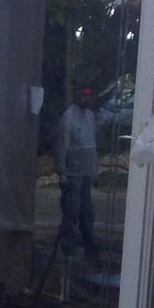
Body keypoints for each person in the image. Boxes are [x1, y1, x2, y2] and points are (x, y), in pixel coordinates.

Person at [54, 88, 102, 262]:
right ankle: (68, 246)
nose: (86, 99)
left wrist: (94, 169)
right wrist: (62, 173)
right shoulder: (68, 117)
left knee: (87, 211)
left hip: (87, 171)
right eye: (84, 96)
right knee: (71, 211)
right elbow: (62, 146)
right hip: (73, 173)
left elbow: (92, 144)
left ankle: (90, 246)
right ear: (77, 96)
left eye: (89, 96)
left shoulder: (89, 115)